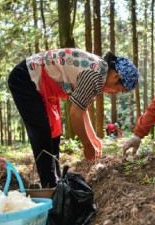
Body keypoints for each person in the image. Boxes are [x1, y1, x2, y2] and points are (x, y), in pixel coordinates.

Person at [8, 48, 138, 188]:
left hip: (41, 82)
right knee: (42, 133)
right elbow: (75, 115)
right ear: (116, 77)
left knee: (54, 133)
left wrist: (93, 137)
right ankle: (50, 186)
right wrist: (87, 145)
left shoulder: (100, 72)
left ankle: (55, 182)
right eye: (118, 90)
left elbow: (82, 109)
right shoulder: (94, 75)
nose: (114, 93)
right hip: (26, 78)